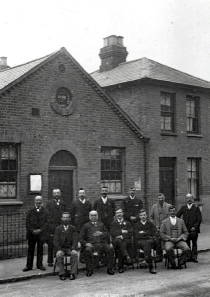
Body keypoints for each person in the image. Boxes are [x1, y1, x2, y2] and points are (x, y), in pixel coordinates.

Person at [79, 210, 114, 277]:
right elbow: (80, 237)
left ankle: (109, 268)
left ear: (97, 216)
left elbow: (107, 234)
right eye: (92, 215)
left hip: (101, 244)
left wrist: (101, 233)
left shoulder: (101, 224)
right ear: (89, 217)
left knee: (110, 249)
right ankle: (89, 270)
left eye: (95, 215)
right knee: (87, 250)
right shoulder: (86, 226)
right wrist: (86, 243)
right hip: (91, 244)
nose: (93, 217)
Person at [23, 196, 50, 272]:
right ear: (35, 201)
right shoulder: (30, 211)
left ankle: (39, 265)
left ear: (42, 201)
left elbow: (47, 223)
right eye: (37, 200)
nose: (38, 202)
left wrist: (40, 230)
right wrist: (32, 230)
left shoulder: (45, 211)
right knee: (30, 250)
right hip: (32, 234)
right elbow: (27, 223)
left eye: (40, 200)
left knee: (40, 250)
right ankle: (29, 266)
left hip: (41, 234)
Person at [176, 193, 202, 263]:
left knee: (194, 243)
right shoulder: (184, 207)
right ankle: (188, 256)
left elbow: (199, 219)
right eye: (188, 198)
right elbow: (177, 216)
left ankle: (194, 257)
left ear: (192, 199)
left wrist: (195, 227)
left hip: (194, 229)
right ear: (186, 200)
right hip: (186, 229)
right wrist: (180, 225)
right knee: (187, 242)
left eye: (190, 198)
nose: (189, 200)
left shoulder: (196, 207)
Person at [45, 188, 67, 267]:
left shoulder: (63, 203)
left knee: (60, 243)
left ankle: (59, 259)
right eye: (55, 193)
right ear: (53, 194)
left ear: (60, 194)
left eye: (58, 193)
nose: (57, 195)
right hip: (52, 227)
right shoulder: (49, 203)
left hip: (61, 226)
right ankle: (50, 261)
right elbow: (46, 215)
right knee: (51, 244)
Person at [53, 212, 78, 280]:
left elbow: (75, 239)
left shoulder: (73, 228)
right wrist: (58, 250)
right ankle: (62, 273)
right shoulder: (58, 228)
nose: (65, 219)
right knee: (59, 255)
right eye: (64, 217)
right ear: (61, 218)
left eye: (67, 217)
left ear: (69, 218)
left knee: (75, 254)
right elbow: (56, 240)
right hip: (61, 248)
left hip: (70, 248)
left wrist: (74, 249)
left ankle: (72, 273)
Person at [149, 193, 172, 262]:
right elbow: (150, 217)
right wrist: (154, 225)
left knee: (167, 240)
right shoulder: (154, 207)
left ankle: (169, 254)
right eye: (159, 198)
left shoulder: (169, 206)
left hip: (166, 229)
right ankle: (159, 256)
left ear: (164, 199)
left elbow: (171, 217)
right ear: (157, 199)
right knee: (157, 240)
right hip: (157, 228)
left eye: (162, 198)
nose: (160, 200)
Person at [133, 209, 157, 274]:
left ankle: (147, 258)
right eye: (141, 215)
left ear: (146, 216)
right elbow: (136, 235)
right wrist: (146, 233)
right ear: (139, 217)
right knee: (146, 244)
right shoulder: (136, 225)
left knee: (147, 243)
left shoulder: (150, 224)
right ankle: (150, 265)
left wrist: (142, 233)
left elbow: (153, 232)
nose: (143, 216)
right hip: (140, 241)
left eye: (144, 215)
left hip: (150, 240)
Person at [110, 208, 133, 273]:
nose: (118, 214)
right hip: (116, 243)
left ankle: (121, 266)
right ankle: (126, 256)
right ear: (115, 215)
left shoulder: (128, 223)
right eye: (117, 213)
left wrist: (122, 236)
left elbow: (130, 233)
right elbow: (112, 233)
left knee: (121, 246)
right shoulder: (113, 223)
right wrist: (121, 231)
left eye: (120, 212)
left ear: (122, 213)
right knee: (119, 242)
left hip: (126, 242)